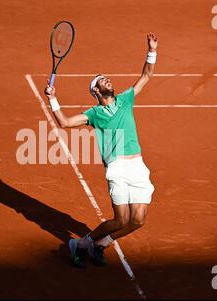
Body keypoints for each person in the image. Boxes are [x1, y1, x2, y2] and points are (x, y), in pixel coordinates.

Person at [44, 32, 158, 268]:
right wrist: (53, 99)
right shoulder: (93, 114)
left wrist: (152, 50)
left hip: (137, 166)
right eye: (102, 80)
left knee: (138, 221)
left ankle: (99, 244)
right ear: (95, 90)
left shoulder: (125, 99)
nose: (108, 81)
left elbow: (146, 75)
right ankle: (80, 244)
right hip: (116, 168)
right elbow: (64, 122)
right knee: (121, 220)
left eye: (108, 79)